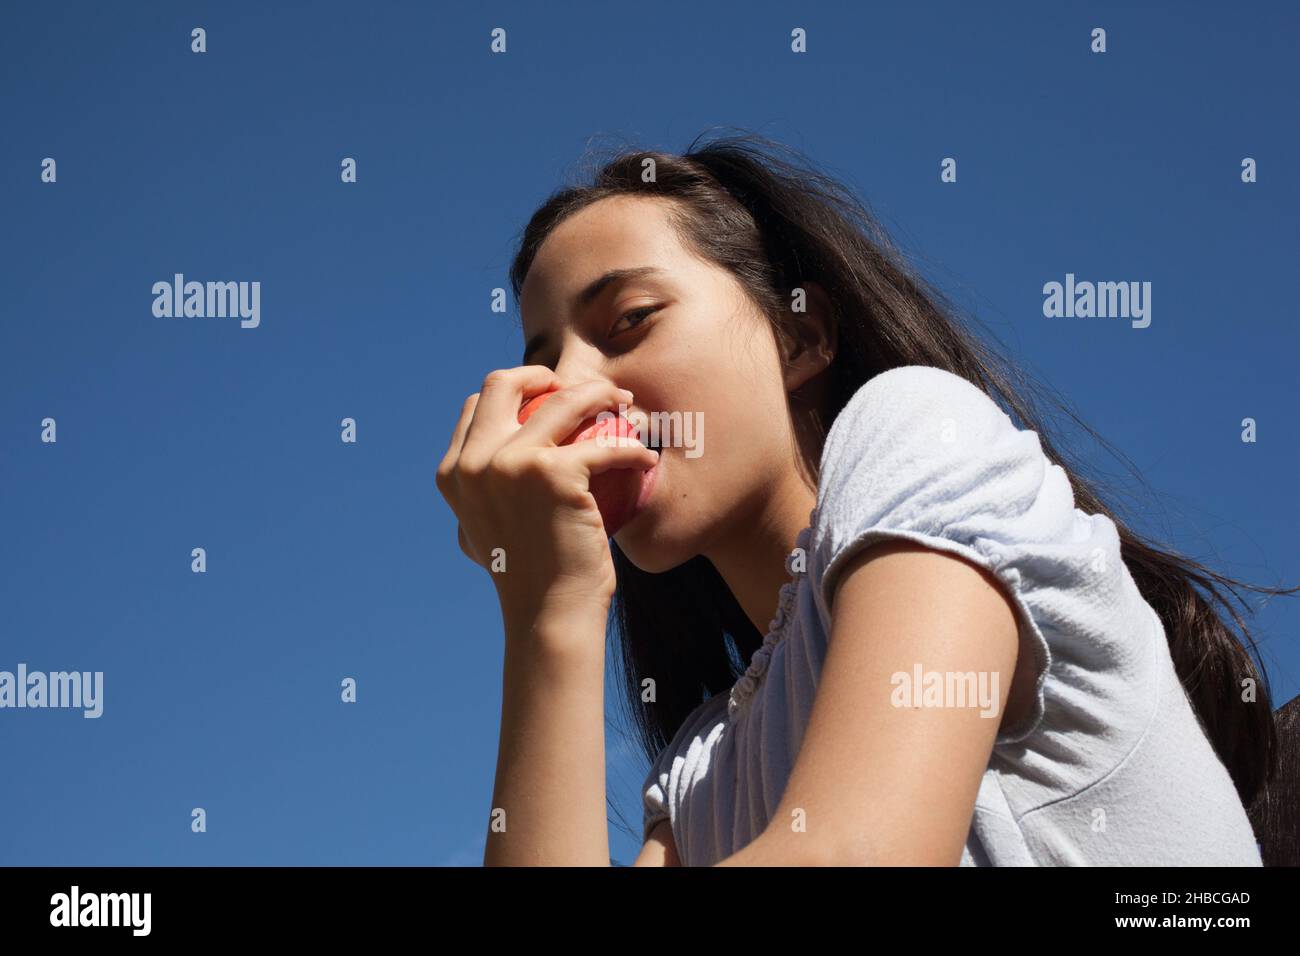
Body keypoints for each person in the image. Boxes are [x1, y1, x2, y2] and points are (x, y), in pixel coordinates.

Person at [436, 130, 1296, 866]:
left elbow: (857, 852)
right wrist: (551, 608)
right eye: (546, 368)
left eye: (628, 321)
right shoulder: (698, 773)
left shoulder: (923, 427)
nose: (572, 390)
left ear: (802, 335)